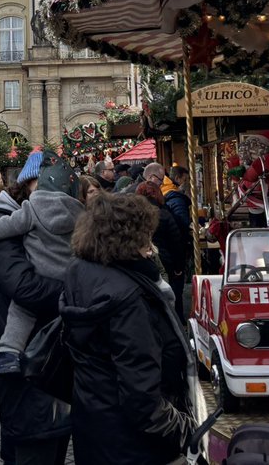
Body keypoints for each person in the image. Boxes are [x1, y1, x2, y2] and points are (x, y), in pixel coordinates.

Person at [61, 192, 199, 465]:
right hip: (135, 444)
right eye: (147, 233)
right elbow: (142, 398)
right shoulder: (128, 298)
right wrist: (189, 432)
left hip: (94, 423)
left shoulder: (82, 270)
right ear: (131, 236)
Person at [0, 174, 72, 465]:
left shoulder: (31, 224)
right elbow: (24, 289)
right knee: (31, 446)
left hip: (47, 364)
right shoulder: (6, 229)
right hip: (29, 367)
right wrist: (77, 291)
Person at [0, 158, 84, 375]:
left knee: (21, 309)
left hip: (39, 273)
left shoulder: (31, 208)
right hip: (66, 273)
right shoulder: (78, 211)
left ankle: (9, 353)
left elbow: (7, 226)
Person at [136, 182, 190, 318]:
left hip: (144, 260)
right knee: (171, 294)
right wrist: (179, 267)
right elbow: (176, 242)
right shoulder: (164, 215)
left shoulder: (136, 215)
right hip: (166, 261)